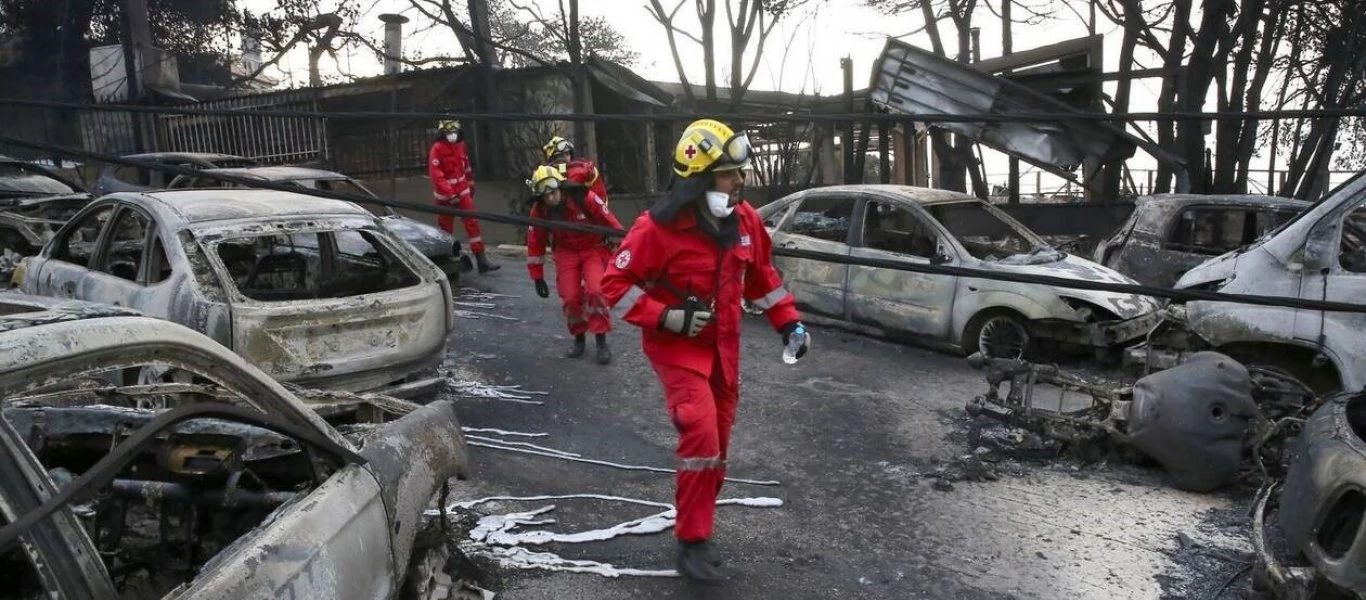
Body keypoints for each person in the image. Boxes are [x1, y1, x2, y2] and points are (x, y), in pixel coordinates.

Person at [600, 118, 810, 582]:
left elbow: (762, 279)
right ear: (699, 177)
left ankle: (701, 527)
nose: (739, 181)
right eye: (729, 173)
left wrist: (788, 322)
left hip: (724, 351)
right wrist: (667, 316)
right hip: (677, 352)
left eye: (740, 171)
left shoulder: (746, 221)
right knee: (701, 437)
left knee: (717, 451)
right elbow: (614, 284)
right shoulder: (656, 229)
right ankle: (691, 542)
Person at [525, 165, 624, 364]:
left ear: (560, 187)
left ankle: (601, 340)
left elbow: (610, 221)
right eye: (546, 196)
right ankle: (579, 337)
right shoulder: (540, 211)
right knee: (570, 297)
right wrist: (537, 277)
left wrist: (625, 252)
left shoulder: (582, 197)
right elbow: (535, 242)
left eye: (553, 193)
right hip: (566, 252)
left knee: (596, 291)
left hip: (593, 247)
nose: (551, 198)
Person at [429, 119, 499, 273]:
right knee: (445, 230)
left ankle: (482, 261)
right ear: (442, 133)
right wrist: (450, 194)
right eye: (448, 132)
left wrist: (471, 185)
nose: (452, 135)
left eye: (454, 132)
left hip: (462, 191)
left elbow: (466, 167)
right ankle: (447, 260)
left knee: (472, 224)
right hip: (445, 198)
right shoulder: (437, 149)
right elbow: (436, 175)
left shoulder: (460, 146)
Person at [542, 135, 609, 205]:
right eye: (560, 155)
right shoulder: (546, 175)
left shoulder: (583, 170)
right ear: (552, 159)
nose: (564, 158)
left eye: (567, 154)